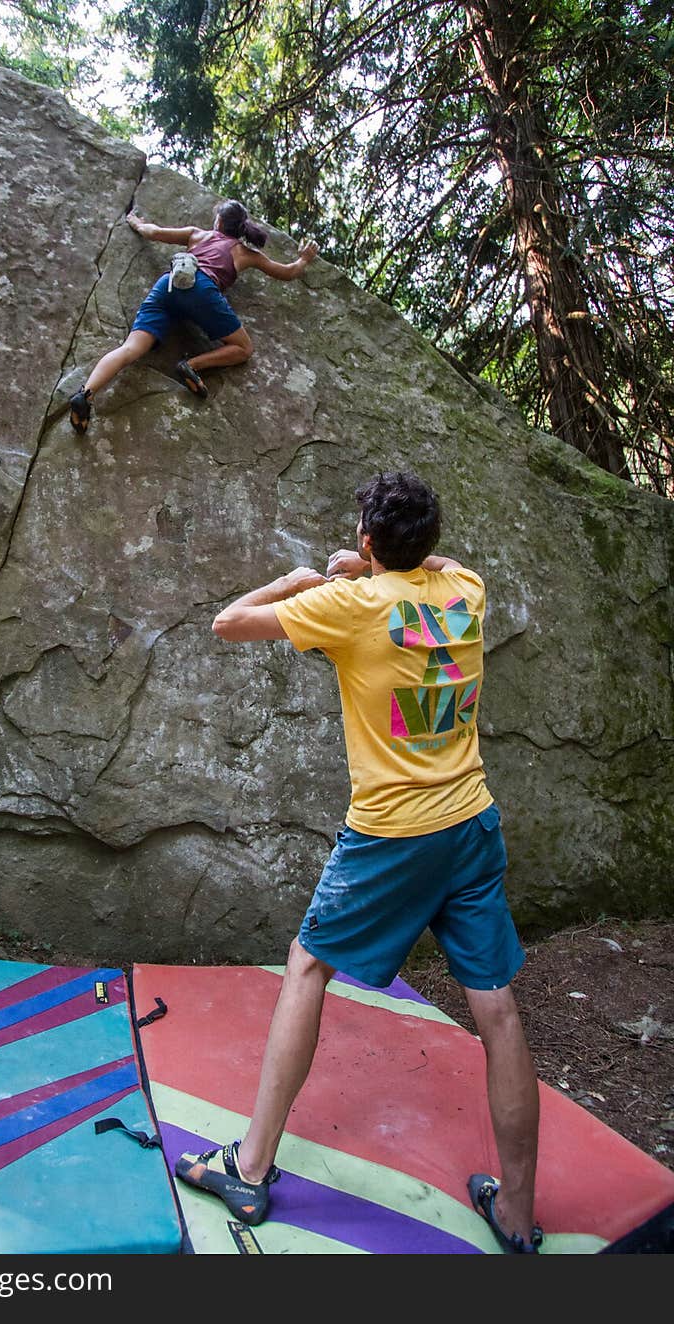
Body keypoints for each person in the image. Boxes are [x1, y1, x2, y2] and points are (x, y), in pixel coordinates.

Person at [175, 470, 543, 1254]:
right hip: (470, 823)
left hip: (391, 836)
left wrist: (302, 578)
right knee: (497, 1008)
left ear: (371, 543)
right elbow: (430, 575)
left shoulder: (348, 607)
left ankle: (249, 1166)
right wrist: (370, 566)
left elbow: (228, 622)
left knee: (307, 965)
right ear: (431, 543)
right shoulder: (467, 591)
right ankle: (516, 1211)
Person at [68, 199, 319, 433]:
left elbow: (151, 232)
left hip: (168, 284)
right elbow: (287, 272)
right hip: (201, 289)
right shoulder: (245, 253)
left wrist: (133, 220)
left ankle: (86, 393)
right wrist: (304, 259)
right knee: (243, 349)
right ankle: (192, 366)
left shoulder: (197, 234)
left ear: (218, 222)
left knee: (130, 349)